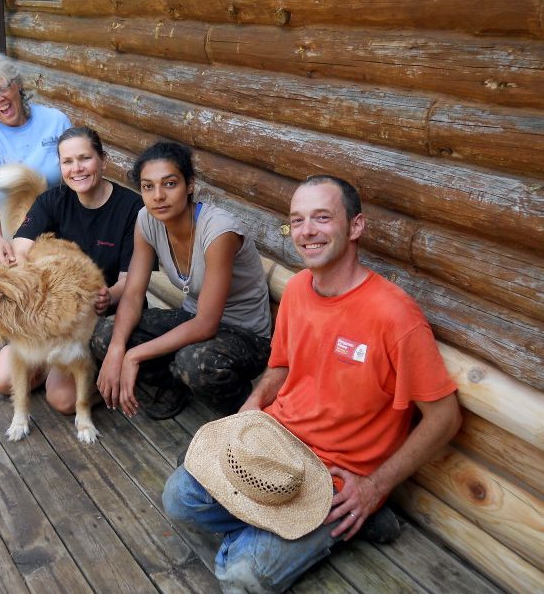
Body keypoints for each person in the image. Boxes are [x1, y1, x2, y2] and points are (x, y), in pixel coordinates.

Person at [162, 175, 462, 592]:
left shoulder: (395, 316)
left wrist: (376, 486)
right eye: (297, 220)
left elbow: (445, 417)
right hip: (275, 454)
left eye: (322, 217)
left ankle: (343, 520)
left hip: (335, 477)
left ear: (355, 226)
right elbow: (281, 366)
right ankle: (293, 530)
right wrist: (252, 405)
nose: (306, 231)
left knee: (241, 575)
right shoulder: (300, 288)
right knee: (179, 498)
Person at [93, 141, 272, 420]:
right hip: (191, 319)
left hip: (245, 335)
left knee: (195, 362)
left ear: (189, 185)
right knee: (105, 335)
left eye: (170, 184)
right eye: (147, 186)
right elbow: (133, 294)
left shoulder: (218, 232)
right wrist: (117, 349)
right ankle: (175, 382)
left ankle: (240, 416)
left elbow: (206, 323)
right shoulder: (146, 220)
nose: (158, 196)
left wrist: (133, 355)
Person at [0, 126, 143, 414]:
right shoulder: (52, 201)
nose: (77, 169)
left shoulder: (131, 208)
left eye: (85, 158)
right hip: (52, 315)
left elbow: (131, 282)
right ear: (60, 166)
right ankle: (51, 366)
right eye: (68, 162)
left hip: (99, 317)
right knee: (0, 379)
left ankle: (99, 374)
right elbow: (21, 248)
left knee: (62, 400)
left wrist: (107, 296)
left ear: (103, 160)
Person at [0, 52, 72, 266]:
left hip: (57, 239)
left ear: (18, 84)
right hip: (10, 240)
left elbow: (78, 176)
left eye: (3, 88)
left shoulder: (56, 122)